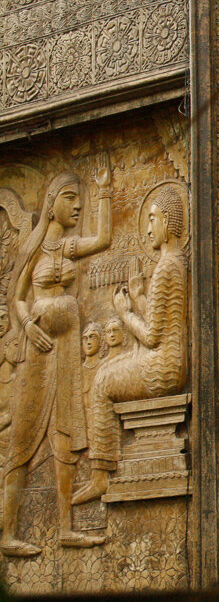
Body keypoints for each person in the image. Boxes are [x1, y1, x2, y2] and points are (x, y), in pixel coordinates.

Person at [2, 169, 111, 556]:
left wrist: (103, 193)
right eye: (70, 197)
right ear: (51, 203)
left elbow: (103, 240)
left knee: (65, 429)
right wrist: (28, 323)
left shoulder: (67, 247)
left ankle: (66, 527)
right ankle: (8, 534)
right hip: (40, 347)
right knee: (24, 433)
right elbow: (16, 297)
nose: (77, 204)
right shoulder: (34, 246)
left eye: (79, 198)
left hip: (66, 348)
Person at [73, 186, 188, 505]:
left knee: (101, 382)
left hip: (162, 367)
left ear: (167, 221)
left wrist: (124, 313)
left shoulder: (167, 267)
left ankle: (100, 475)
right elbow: (161, 324)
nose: (149, 228)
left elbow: (152, 336)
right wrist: (138, 296)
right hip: (165, 358)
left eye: (152, 219)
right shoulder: (173, 263)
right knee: (108, 367)